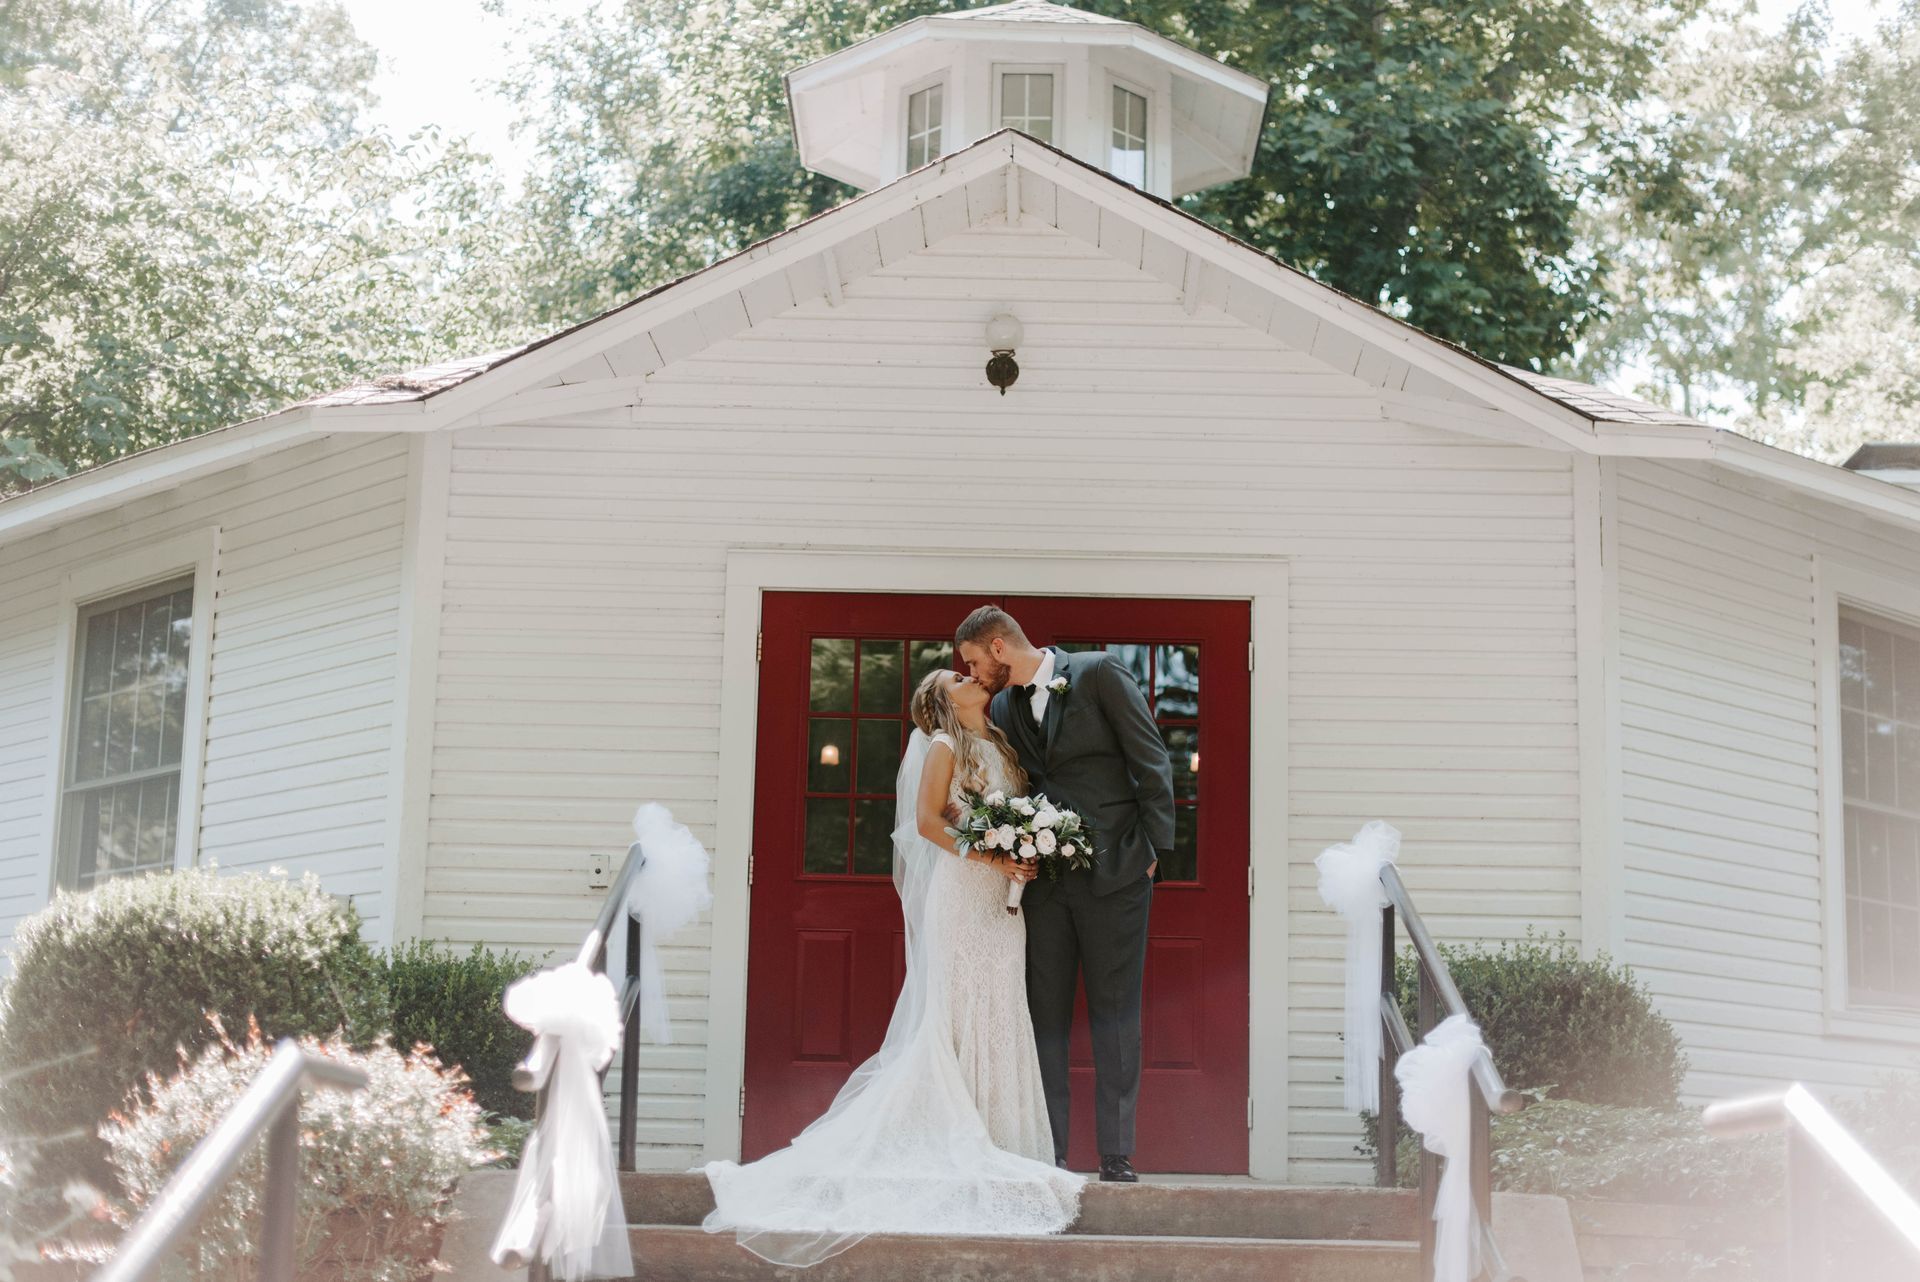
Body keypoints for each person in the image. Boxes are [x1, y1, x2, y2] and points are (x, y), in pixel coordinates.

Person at [699, 669, 1083, 1266]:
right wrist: (993, 854)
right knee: (959, 1007)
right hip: (963, 894)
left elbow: (980, 813)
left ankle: (1000, 1136)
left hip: (1002, 902)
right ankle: (953, 1134)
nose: (972, 676)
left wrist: (1022, 853)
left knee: (1000, 1005)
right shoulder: (943, 744)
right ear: (941, 701)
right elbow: (928, 823)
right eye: (957, 676)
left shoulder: (999, 743)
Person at [955, 605, 1174, 1184]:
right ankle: (1047, 1150)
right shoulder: (1001, 706)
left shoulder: (1099, 673)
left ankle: (1116, 1153)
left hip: (1118, 875)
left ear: (999, 649)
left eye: (975, 662)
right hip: (1043, 886)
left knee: (1115, 1013)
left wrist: (1152, 849)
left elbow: (1151, 759)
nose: (974, 676)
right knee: (1043, 1019)